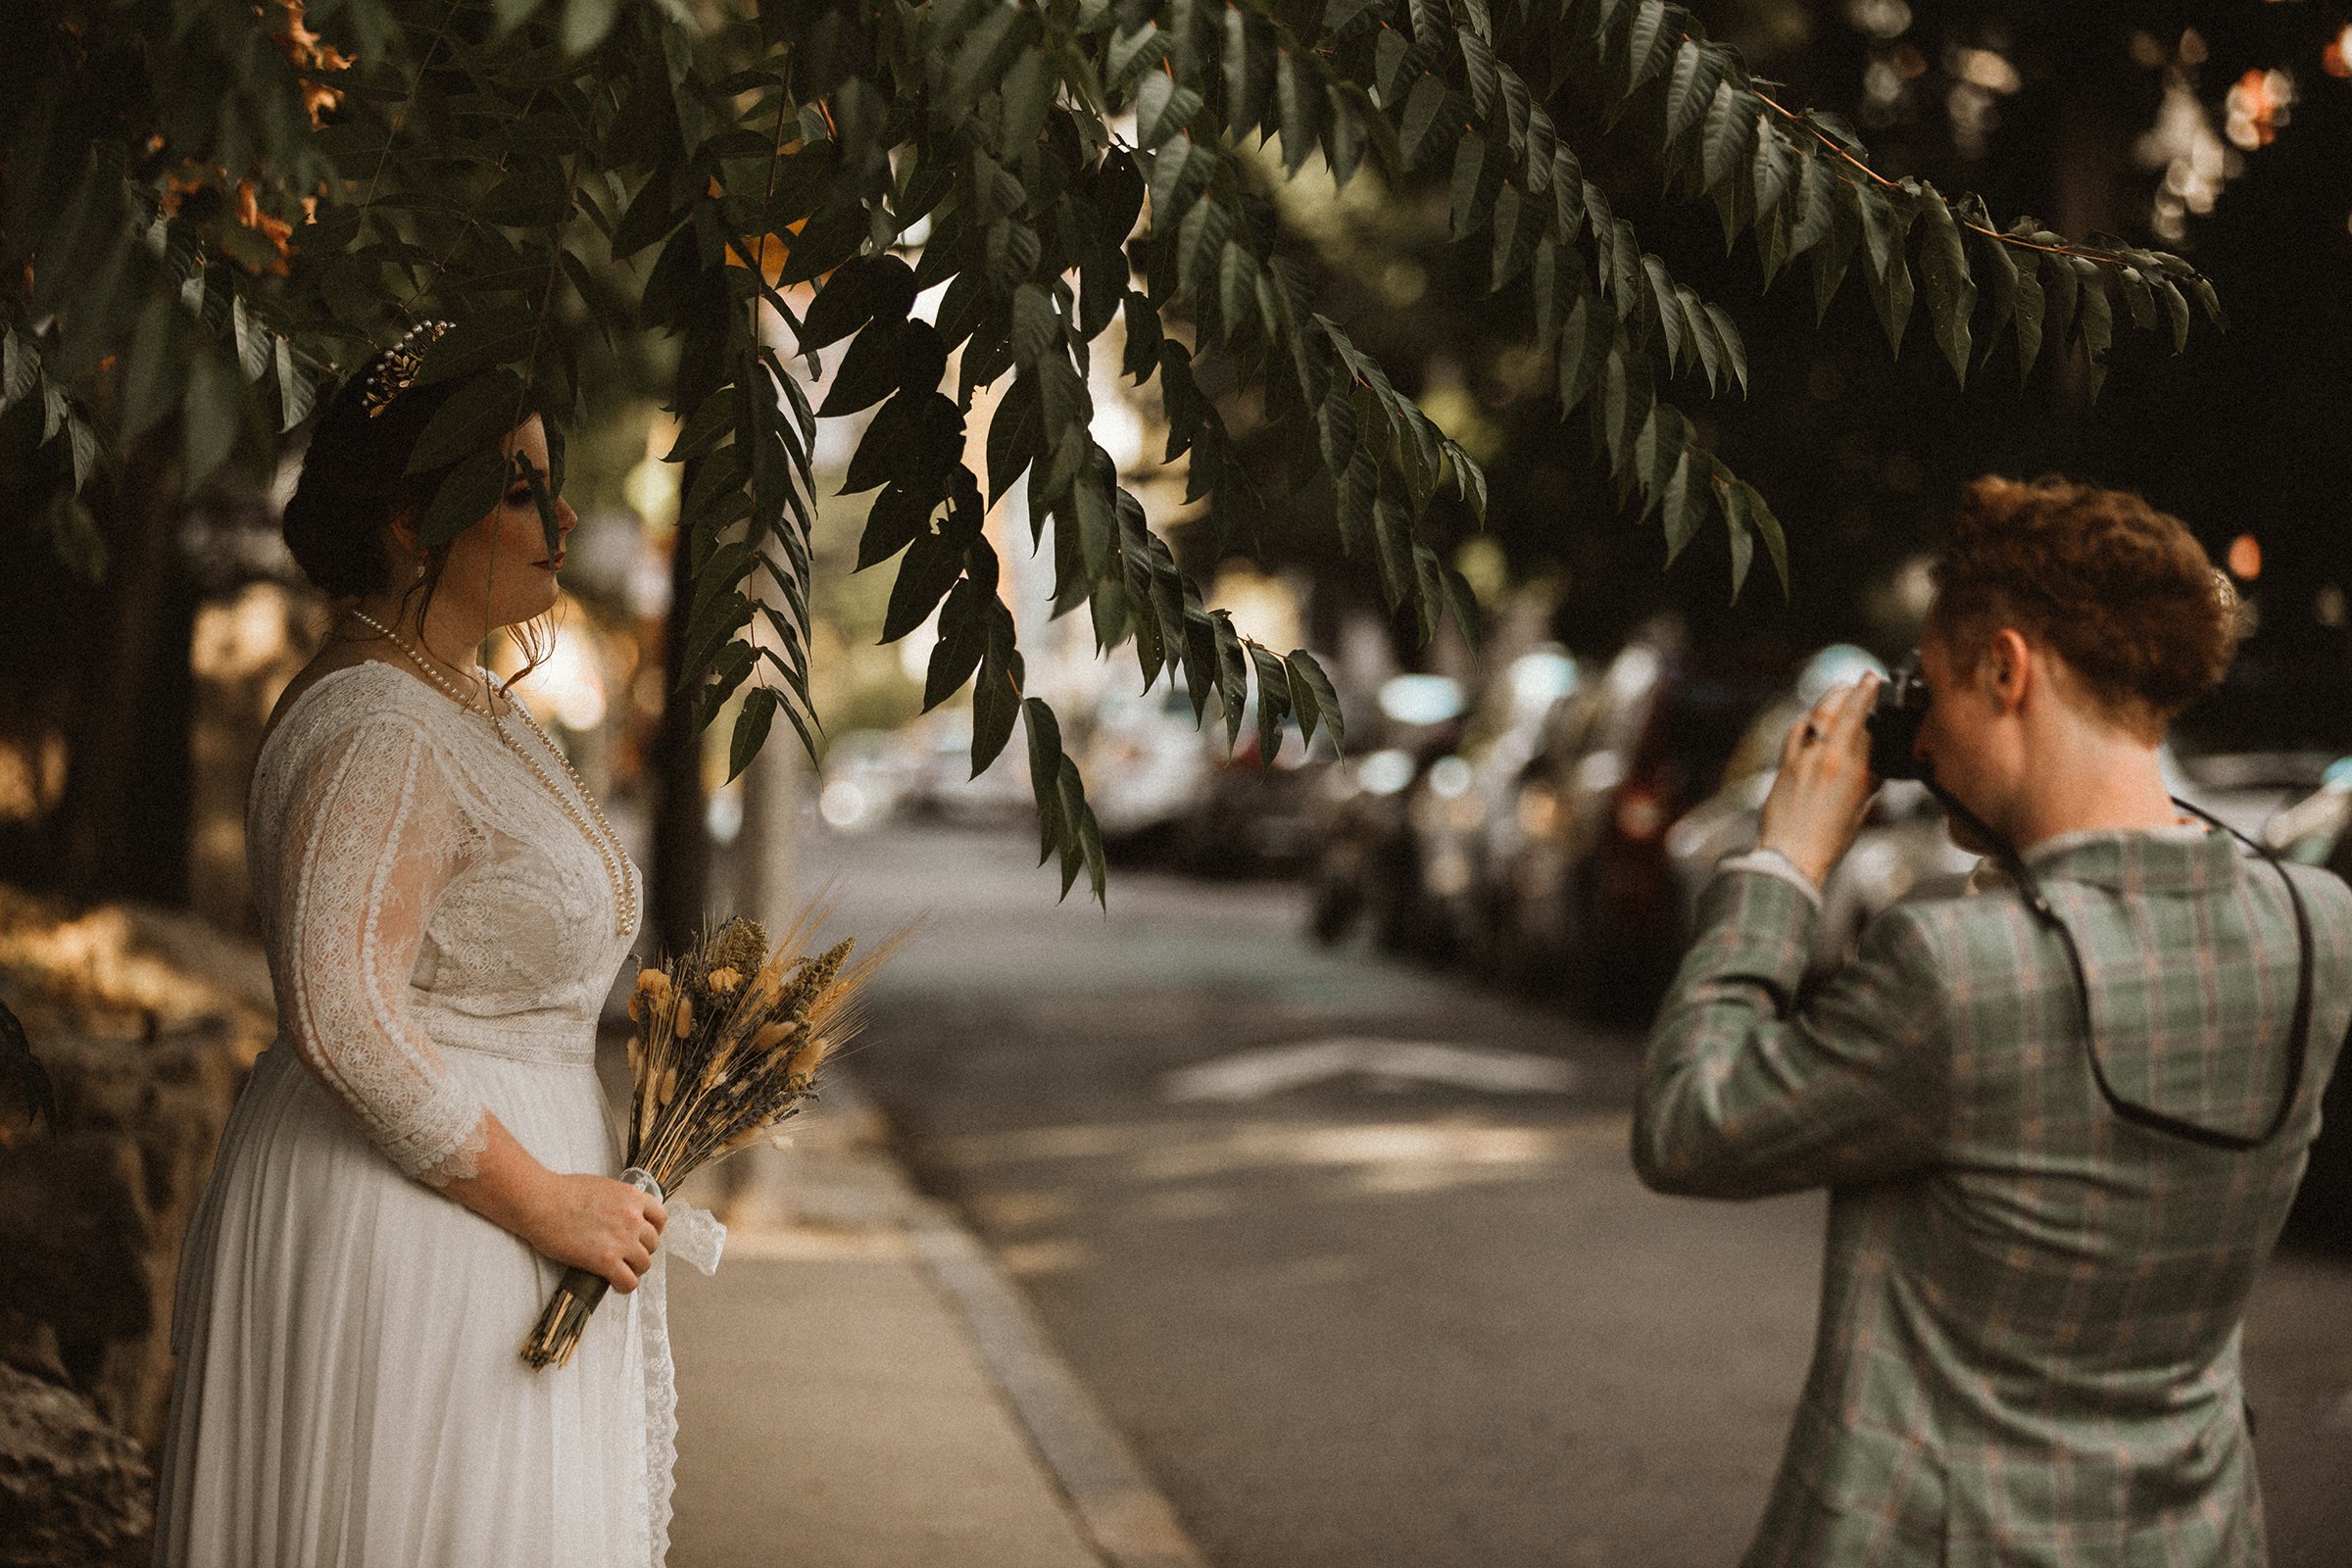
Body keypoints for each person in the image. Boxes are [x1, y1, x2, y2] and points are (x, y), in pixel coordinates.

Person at [1634, 475, 2352, 1566]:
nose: (1926, 732)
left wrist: (1784, 859)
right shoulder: (2320, 928)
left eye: (1935, 686)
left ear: (2007, 669)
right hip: (2193, 1536)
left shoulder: (1954, 971)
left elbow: (1689, 1122)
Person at [154, 323, 702, 1566]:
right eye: (520, 490)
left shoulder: (450, 694)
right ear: (413, 518)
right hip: (426, 1229)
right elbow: (342, 1011)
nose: (560, 520)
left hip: (479, 1216)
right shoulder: (381, 728)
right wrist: (550, 1201)